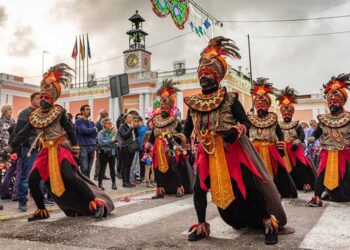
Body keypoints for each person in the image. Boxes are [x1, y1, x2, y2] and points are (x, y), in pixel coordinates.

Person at [183, 37, 290, 245]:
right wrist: (178, 139)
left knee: (250, 186)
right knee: (199, 188)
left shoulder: (230, 98)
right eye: (201, 73)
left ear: (218, 76)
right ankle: (202, 225)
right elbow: (186, 130)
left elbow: (245, 122)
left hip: (232, 151)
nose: (203, 76)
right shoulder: (193, 103)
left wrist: (236, 130)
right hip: (207, 153)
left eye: (208, 73)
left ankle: (268, 223)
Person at [1, 63, 114, 221]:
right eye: (41, 97)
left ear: (53, 98)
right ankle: (41, 210)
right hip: (45, 150)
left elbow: (70, 130)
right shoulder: (35, 115)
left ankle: (95, 203)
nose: (42, 100)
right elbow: (22, 133)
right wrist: (8, 149)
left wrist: (75, 146)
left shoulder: (59, 111)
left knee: (69, 176)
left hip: (61, 148)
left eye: (46, 97)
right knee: (33, 180)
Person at [248, 78, 297, 199]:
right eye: (258, 106)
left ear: (268, 106)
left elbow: (280, 134)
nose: (260, 107)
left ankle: (277, 192)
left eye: (263, 106)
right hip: (255, 151)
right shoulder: (250, 119)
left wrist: (280, 146)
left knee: (278, 172)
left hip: (271, 149)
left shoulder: (273, 119)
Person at [307, 74, 350, 206]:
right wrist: (313, 137)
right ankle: (316, 197)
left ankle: (334, 193)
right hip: (326, 152)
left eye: (335, 102)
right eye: (330, 102)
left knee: (346, 177)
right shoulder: (324, 119)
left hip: (344, 152)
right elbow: (318, 131)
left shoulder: (348, 117)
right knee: (321, 174)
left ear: (342, 102)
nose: (332, 104)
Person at [149, 79, 194, 199]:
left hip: (171, 146)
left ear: (170, 107)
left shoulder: (175, 121)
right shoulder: (156, 120)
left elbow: (183, 134)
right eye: (162, 106)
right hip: (158, 148)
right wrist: (149, 143)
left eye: (166, 106)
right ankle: (160, 190)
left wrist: (180, 141)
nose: (163, 108)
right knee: (157, 169)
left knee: (174, 167)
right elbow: (153, 134)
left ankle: (180, 188)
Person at [277, 87, 316, 192]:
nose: (286, 115)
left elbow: (302, 136)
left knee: (301, 166)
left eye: (288, 113)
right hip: (284, 149)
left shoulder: (296, 125)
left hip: (296, 148)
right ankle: (292, 185)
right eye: (284, 113)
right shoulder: (278, 125)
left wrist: (297, 142)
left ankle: (306, 184)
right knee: (286, 168)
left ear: (292, 114)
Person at [14, 92, 41, 212]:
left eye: (41, 98)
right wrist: (33, 139)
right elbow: (18, 131)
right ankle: (22, 201)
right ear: (31, 100)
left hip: (41, 148)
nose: (40, 100)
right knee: (26, 176)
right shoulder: (26, 113)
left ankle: (39, 199)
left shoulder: (41, 113)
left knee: (39, 175)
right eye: (38, 98)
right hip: (28, 148)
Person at [76, 104, 97, 178]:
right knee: (84, 167)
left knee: (89, 167)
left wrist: (90, 132)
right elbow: (83, 131)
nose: (89, 111)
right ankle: (84, 184)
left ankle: (88, 183)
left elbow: (94, 135)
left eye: (89, 109)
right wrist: (93, 130)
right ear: (82, 111)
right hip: (83, 146)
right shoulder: (78, 121)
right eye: (87, 109)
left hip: (92, 145)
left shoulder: (91, 123)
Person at [118, 113, 139, 188]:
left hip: (132, 147)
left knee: (129, 165)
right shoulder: (122, 127)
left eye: (132, 117)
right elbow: (124, 136)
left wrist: (135, 128)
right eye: (129, 117)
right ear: (125, 119)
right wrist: (131, 128)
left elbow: (136, 135)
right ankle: (125, 182)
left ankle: (128, 181)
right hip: (125, 147)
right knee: (125, 165)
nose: (131, 119)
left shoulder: (132, 126)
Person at [97, 118, 117, 190]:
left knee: (112, 169)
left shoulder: (113, 132)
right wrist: (111, 142)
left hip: (112, 152)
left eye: (111, 123)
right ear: (104, 125)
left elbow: (116, 141)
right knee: (102, 168)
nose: (110, 124)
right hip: (104, 152)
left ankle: (114, 183)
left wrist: (115, 142)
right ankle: (100, 184)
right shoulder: (101, 133)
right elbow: (101, 142)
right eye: (108, 123)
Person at [94, 109, 109, 181]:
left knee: (105, 160)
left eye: (107, 114)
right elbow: (96, 134)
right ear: (101, 114)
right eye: (105, 114)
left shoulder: (107, 122)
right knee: (99, 161)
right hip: (99, 144)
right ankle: (96, 175)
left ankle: (103, 174)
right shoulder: (98, 123)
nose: (106, 115)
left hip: (106, 144)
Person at [137, 116, 148, 181]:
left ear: (141, 121)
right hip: (138, 147)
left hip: (144, 147)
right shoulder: (136, 128)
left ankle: (143, 175)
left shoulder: (145, 128)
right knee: (140, 162)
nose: (137, 123)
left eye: (138, 121)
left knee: (144, 161)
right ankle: (141, 175)